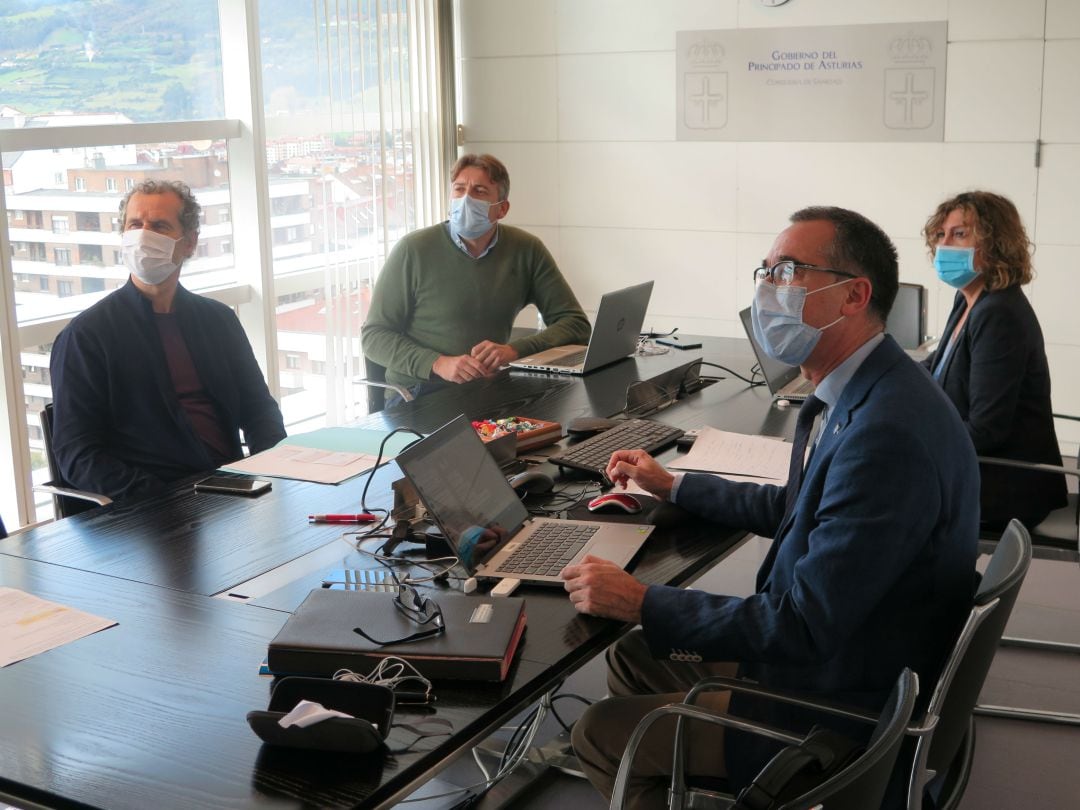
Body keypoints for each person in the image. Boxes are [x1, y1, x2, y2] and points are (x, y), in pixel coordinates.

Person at [563, 207, 980, 810]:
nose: (767, 289)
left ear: (853, 296)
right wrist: (676, 485)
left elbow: (802, 627)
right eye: (767, 270)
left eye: (789, 272)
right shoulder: (872, 388)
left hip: (839, 704)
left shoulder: (886, 435)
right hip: (866, 651)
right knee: (636, 655)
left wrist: (640, 599)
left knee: (602, 735)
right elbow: (803, 505)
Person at [50, 180, 286, 502]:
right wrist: (155, 498)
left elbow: (259, 409)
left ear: (189, 242)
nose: (143, 236)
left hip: (232, 490)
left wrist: (272, 470)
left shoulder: (219, 320)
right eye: (135, 224)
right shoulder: (86, 336)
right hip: (151, 505)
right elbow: (77, 454)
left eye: (159, 226)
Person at [361, 154, 590, 398]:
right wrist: (438, 363)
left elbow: (576, 324)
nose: (466, 199)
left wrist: (515, 350)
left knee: (565, 424)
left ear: (502, 208)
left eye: (479, 191)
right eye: (459, 189)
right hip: (419, 394)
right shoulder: (413, 250)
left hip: (487, 389)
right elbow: (374, 335)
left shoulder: (526, 249)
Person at [922, 190, 1066, 530]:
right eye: (941, 235)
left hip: (1005, 486)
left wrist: (917, 444)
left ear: (994, 242)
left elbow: (986, 430)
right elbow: (935, 370)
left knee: (878, 486)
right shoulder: (970, 299)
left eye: (960, 234)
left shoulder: (998, 313)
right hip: (981, 470)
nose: (945, 245)